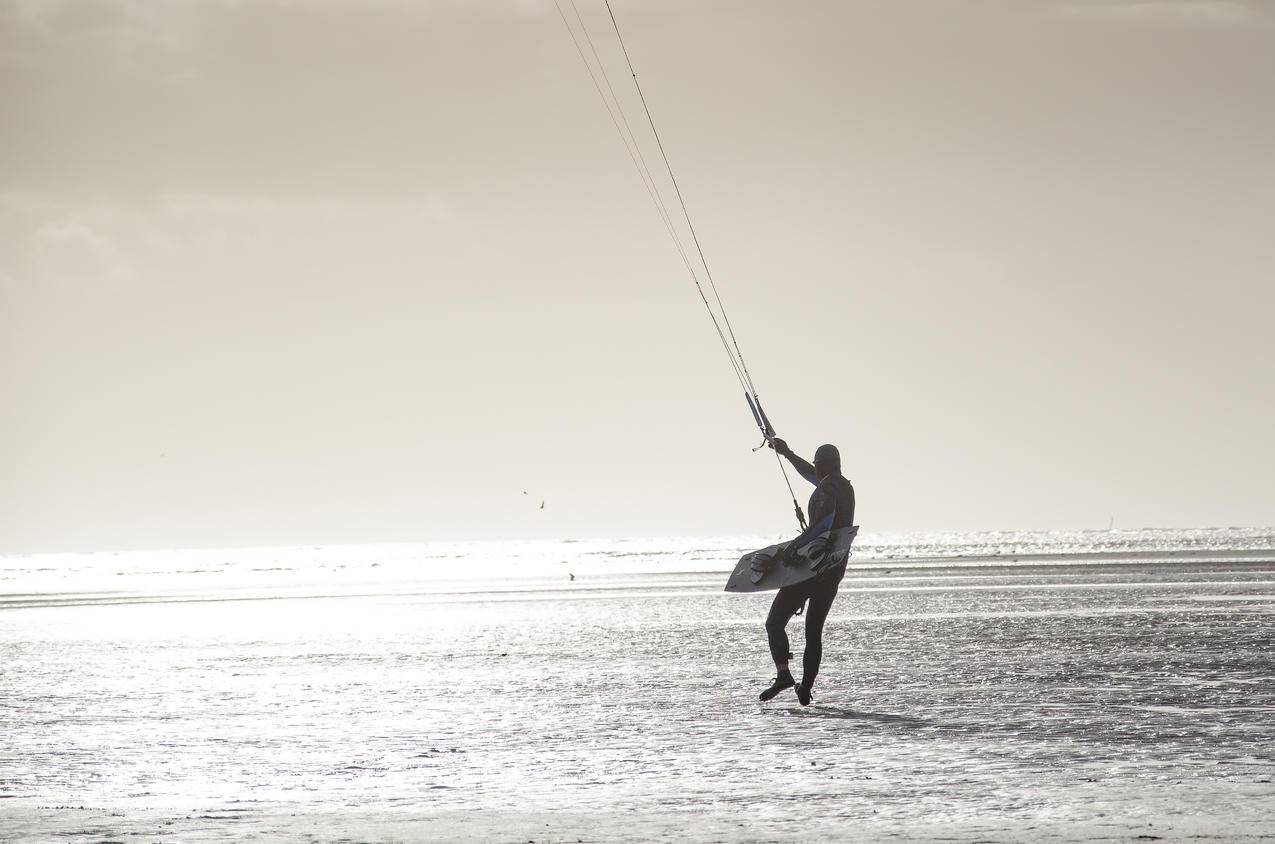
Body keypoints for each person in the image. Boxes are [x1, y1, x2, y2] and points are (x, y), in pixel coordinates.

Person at [758, 439, 855, 706]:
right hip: (834, 570)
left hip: (810, 568)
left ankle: (783, 675)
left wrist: (794, 547)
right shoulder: (842, 485)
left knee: (774, 622)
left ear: (822, 466)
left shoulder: (827, 488)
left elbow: (823, 524)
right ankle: (806, 688)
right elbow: (811, 475)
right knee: (813, 632)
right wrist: (787, 454)